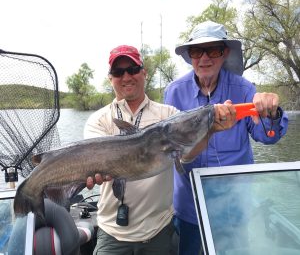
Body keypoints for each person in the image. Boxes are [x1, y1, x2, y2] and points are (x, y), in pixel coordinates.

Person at [84, 44, 237, 255]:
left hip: (158, 231)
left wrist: (209, 131)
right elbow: (94, 161)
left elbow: (187, 156)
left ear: (144, 73)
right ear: (110, 78)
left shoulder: (169, 114)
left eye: (133, 69)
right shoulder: (99, 120)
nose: (126, 76)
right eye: (119, 72)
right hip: (112, 232)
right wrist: (93, 171)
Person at [164, 20, 289, 255]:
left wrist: (271, 112)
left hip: (234, 207)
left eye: (213, 50)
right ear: (190, 56)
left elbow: (268, 136)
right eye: (197, 51)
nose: (204, 58)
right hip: (189, 206)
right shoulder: (174, 92)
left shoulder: (244, 89)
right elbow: (168, 146)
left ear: (225, 54)